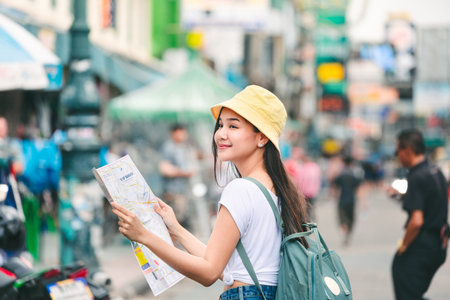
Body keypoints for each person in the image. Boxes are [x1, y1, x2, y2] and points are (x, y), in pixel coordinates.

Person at [111, 85, 309, 299]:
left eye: (233, 126)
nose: (221, 134)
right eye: (221, 125)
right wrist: (175, 228)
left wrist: (144, 236)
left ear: (261, 138)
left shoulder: (241, 189)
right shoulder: (276, 189)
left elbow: (209, 273)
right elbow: (222, 266)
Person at [390, 129, 448, 300]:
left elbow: (416, 221)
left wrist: (404, 246)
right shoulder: (436, 172)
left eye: (398, 151)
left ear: (407, 150)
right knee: (414, 293)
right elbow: (431, 201)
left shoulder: (416, 177)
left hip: (422, 244)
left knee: (406, 289)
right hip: (439, 245)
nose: (397, 156)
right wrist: (401, 195)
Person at [158, 123, 195, 229]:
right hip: (172, 192)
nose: (183, 134)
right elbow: (163, 168)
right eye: (180, 131)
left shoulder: (184, 147)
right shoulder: (169, 147)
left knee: (179, 221)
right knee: (172, 223)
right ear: (174, 133)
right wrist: (183, 172)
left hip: (182, 190)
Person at [332, 155, 362, 246]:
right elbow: (358, 187)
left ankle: (344, 231)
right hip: (351, 200)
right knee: (351, 218)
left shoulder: (341, 175)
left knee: (342, 218)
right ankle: (347, 232)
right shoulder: (354, 175)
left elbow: (335, 184)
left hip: (342, 199)